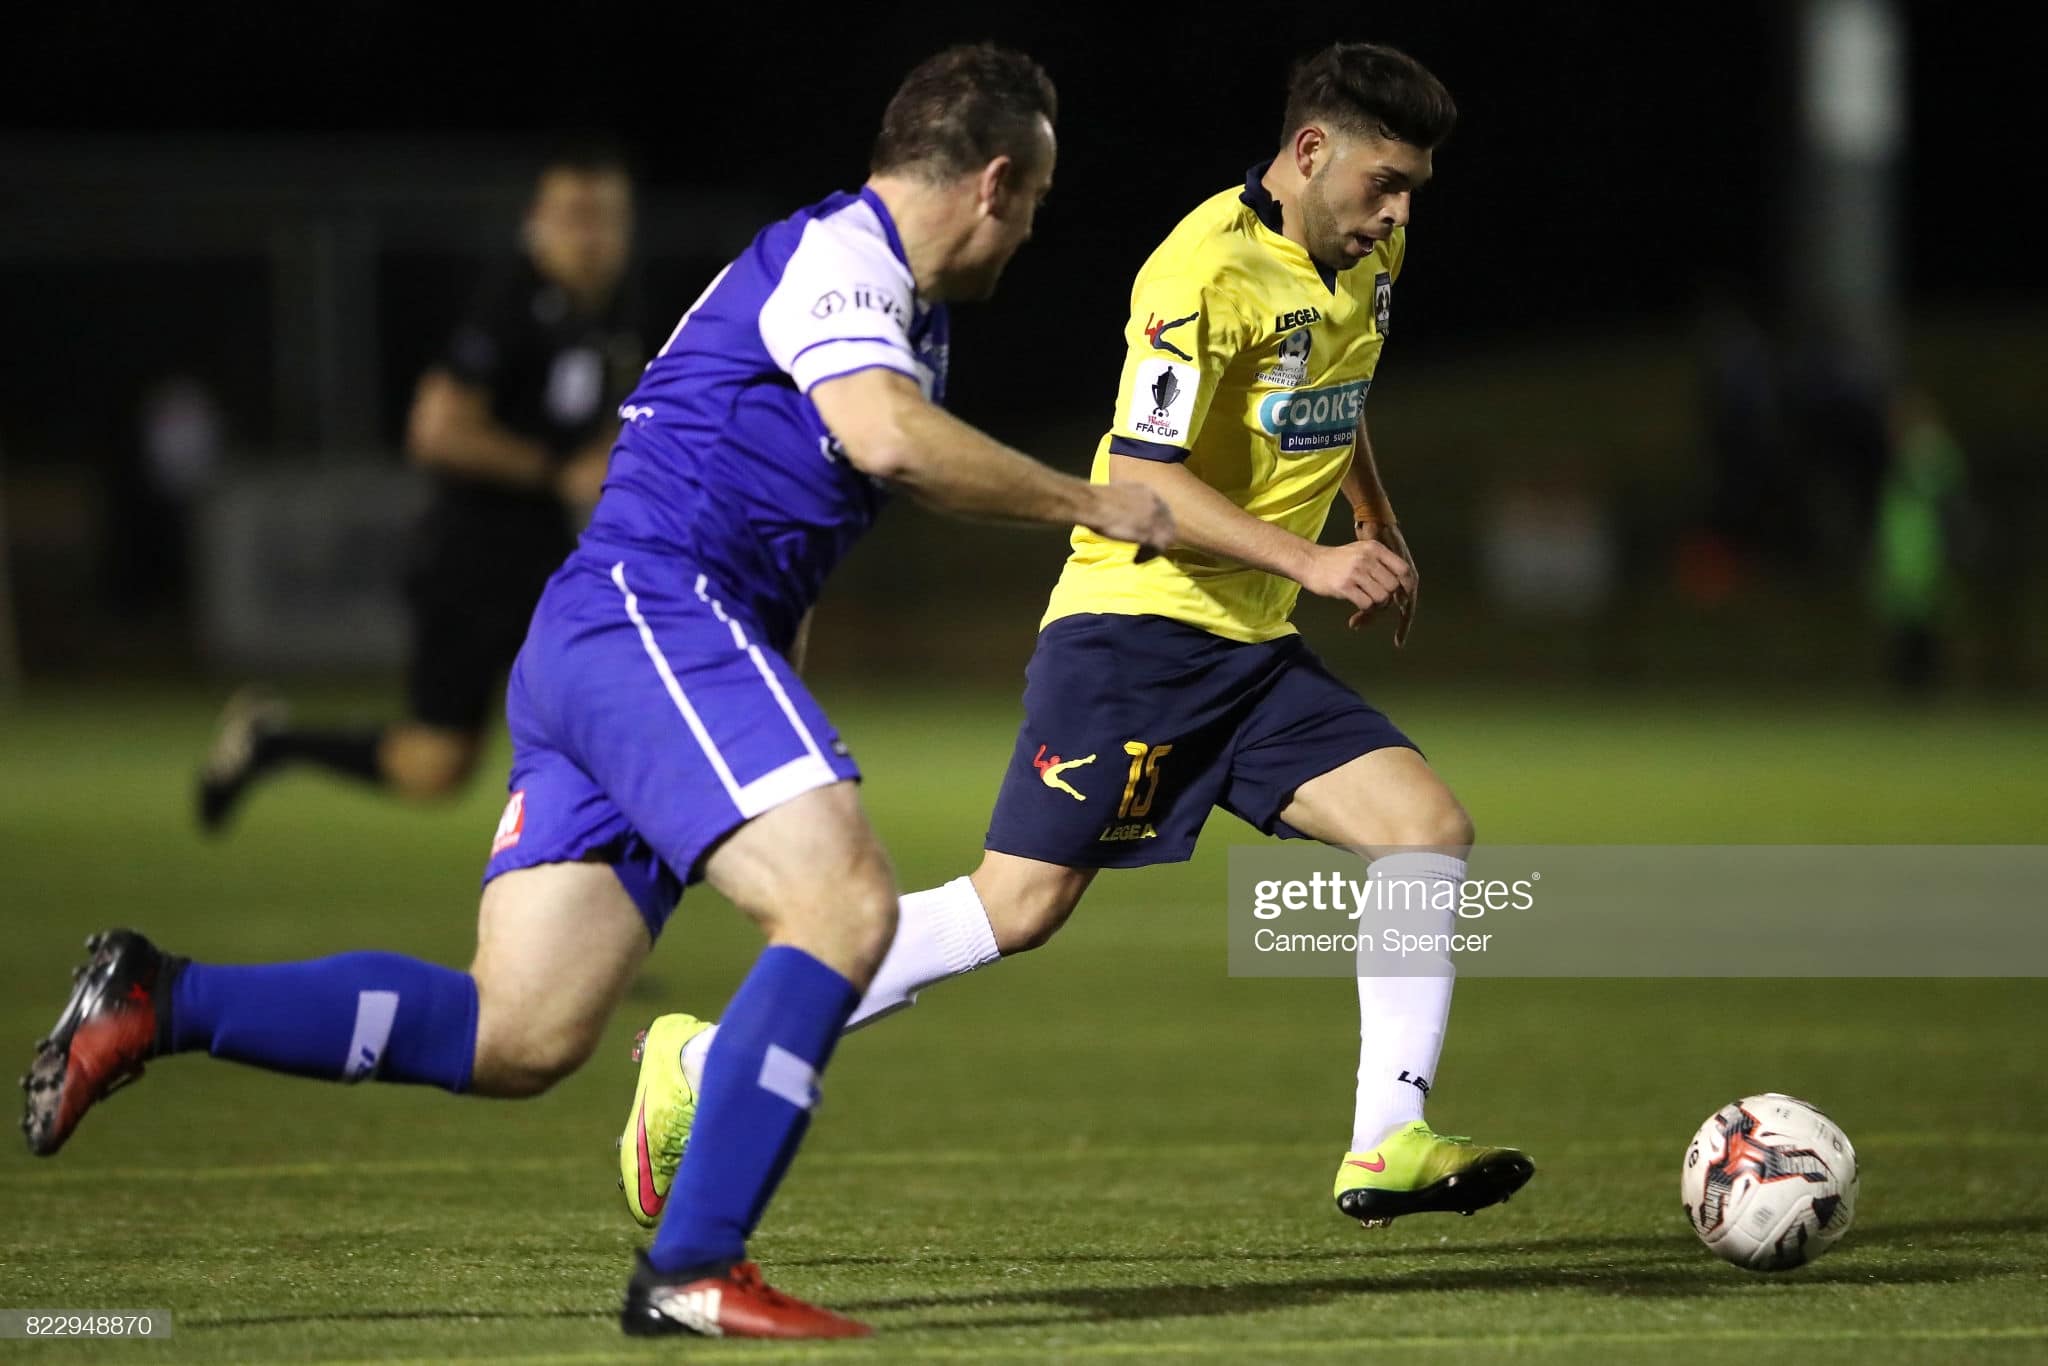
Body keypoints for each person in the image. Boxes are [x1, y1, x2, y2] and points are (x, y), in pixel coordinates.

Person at [22, 45, 1172, 1341]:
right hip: (653, 616)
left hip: (610, 642)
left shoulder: (905, 312)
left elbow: (816, 479)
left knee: (521, 1029)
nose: (1033, 234)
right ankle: (695, 1262)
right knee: (841, 903)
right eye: (1037, 203)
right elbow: (889, 437)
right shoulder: (847, 258)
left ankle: (158, 998)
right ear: (996, 179)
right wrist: (1095, 501)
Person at [623, 40, 1531, 1237]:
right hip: (1137, 632)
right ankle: (703, 1058)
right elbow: (1150, 472)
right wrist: (1313, 559)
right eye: (1384, 183)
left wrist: (1372, 514)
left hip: (1248, 650)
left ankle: (1385, 1139)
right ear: (1309, 152)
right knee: (1016, 908)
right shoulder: (1194, 275)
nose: (1400, 211)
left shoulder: (1371, 248)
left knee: (1424, 830)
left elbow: (1334, 385)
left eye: (1412, 187)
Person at [198, 142, 641, 829]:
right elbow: (436, 431)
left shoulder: (607, 316)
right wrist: (556, 472)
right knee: (437, 765)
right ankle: (274, 742)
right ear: (536, 221)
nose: (590, 236)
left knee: (608, 699)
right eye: (573, 216)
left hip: (542, 554)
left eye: (605, 218)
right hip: (472, 560)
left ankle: (616, 853)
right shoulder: (512, 302)